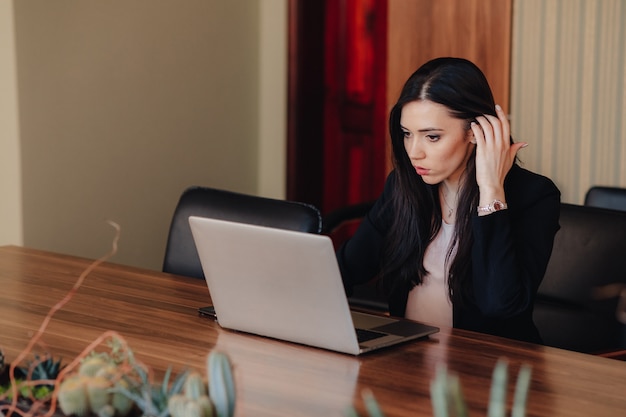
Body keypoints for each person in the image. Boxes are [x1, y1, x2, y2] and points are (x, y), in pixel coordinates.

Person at [337, 57, 560, 344]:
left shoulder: (534, 196)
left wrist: (491, 191)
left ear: (475, 132)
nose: (414, 152)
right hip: (405, 360)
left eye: (431, 137)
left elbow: (499, 304)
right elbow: (347, 268)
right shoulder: (404, 186)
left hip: (487, 369)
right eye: (407, 134)